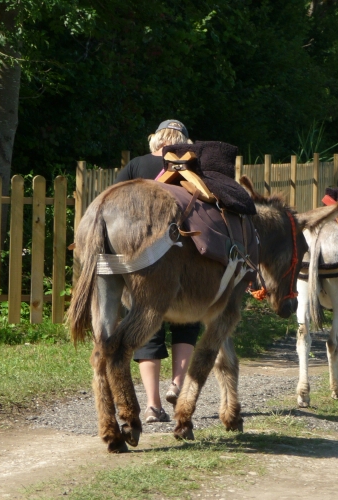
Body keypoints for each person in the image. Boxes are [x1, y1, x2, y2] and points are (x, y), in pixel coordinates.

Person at [114, 119, 200, 422]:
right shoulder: (192, 166)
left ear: (156, 140)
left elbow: (115, 202)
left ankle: (152, 405)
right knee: (186, 321)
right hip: (184, 255)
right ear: (184, 143)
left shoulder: (136, 165)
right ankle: (177, 385)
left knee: (145, 323)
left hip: (140, 256)